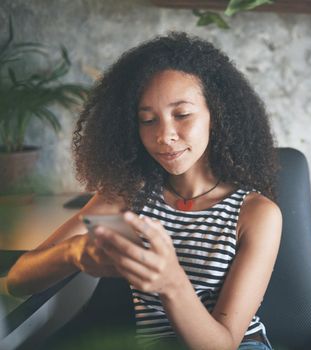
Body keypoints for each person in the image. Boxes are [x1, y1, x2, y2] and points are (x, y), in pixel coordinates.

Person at [6, 32, 282, 350]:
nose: (164, 136)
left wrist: (171, 283)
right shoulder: (127, 198)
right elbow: (17, 281)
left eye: (182, 115)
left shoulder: (256, 214)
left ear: (216, 116)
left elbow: (223, 343)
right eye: (148, 120)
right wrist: (73, 254)